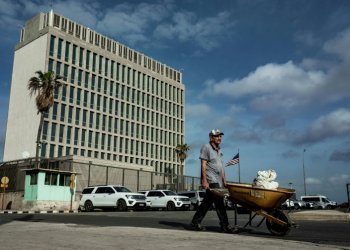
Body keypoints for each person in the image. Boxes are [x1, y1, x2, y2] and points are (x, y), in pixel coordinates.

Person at [190, 129, 238, 233]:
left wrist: (224, 181)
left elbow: (221, 168)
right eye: (217, 136)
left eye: (220, 136)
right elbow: (203, 165)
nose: (219, 138)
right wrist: (204, 181)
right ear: (211, 138)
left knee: (206, 203)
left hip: (219, 181)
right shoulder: (206, 147)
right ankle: (225, 226)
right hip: (211, 179)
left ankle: (194, 223)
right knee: (219, 203)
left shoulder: (219, 150)